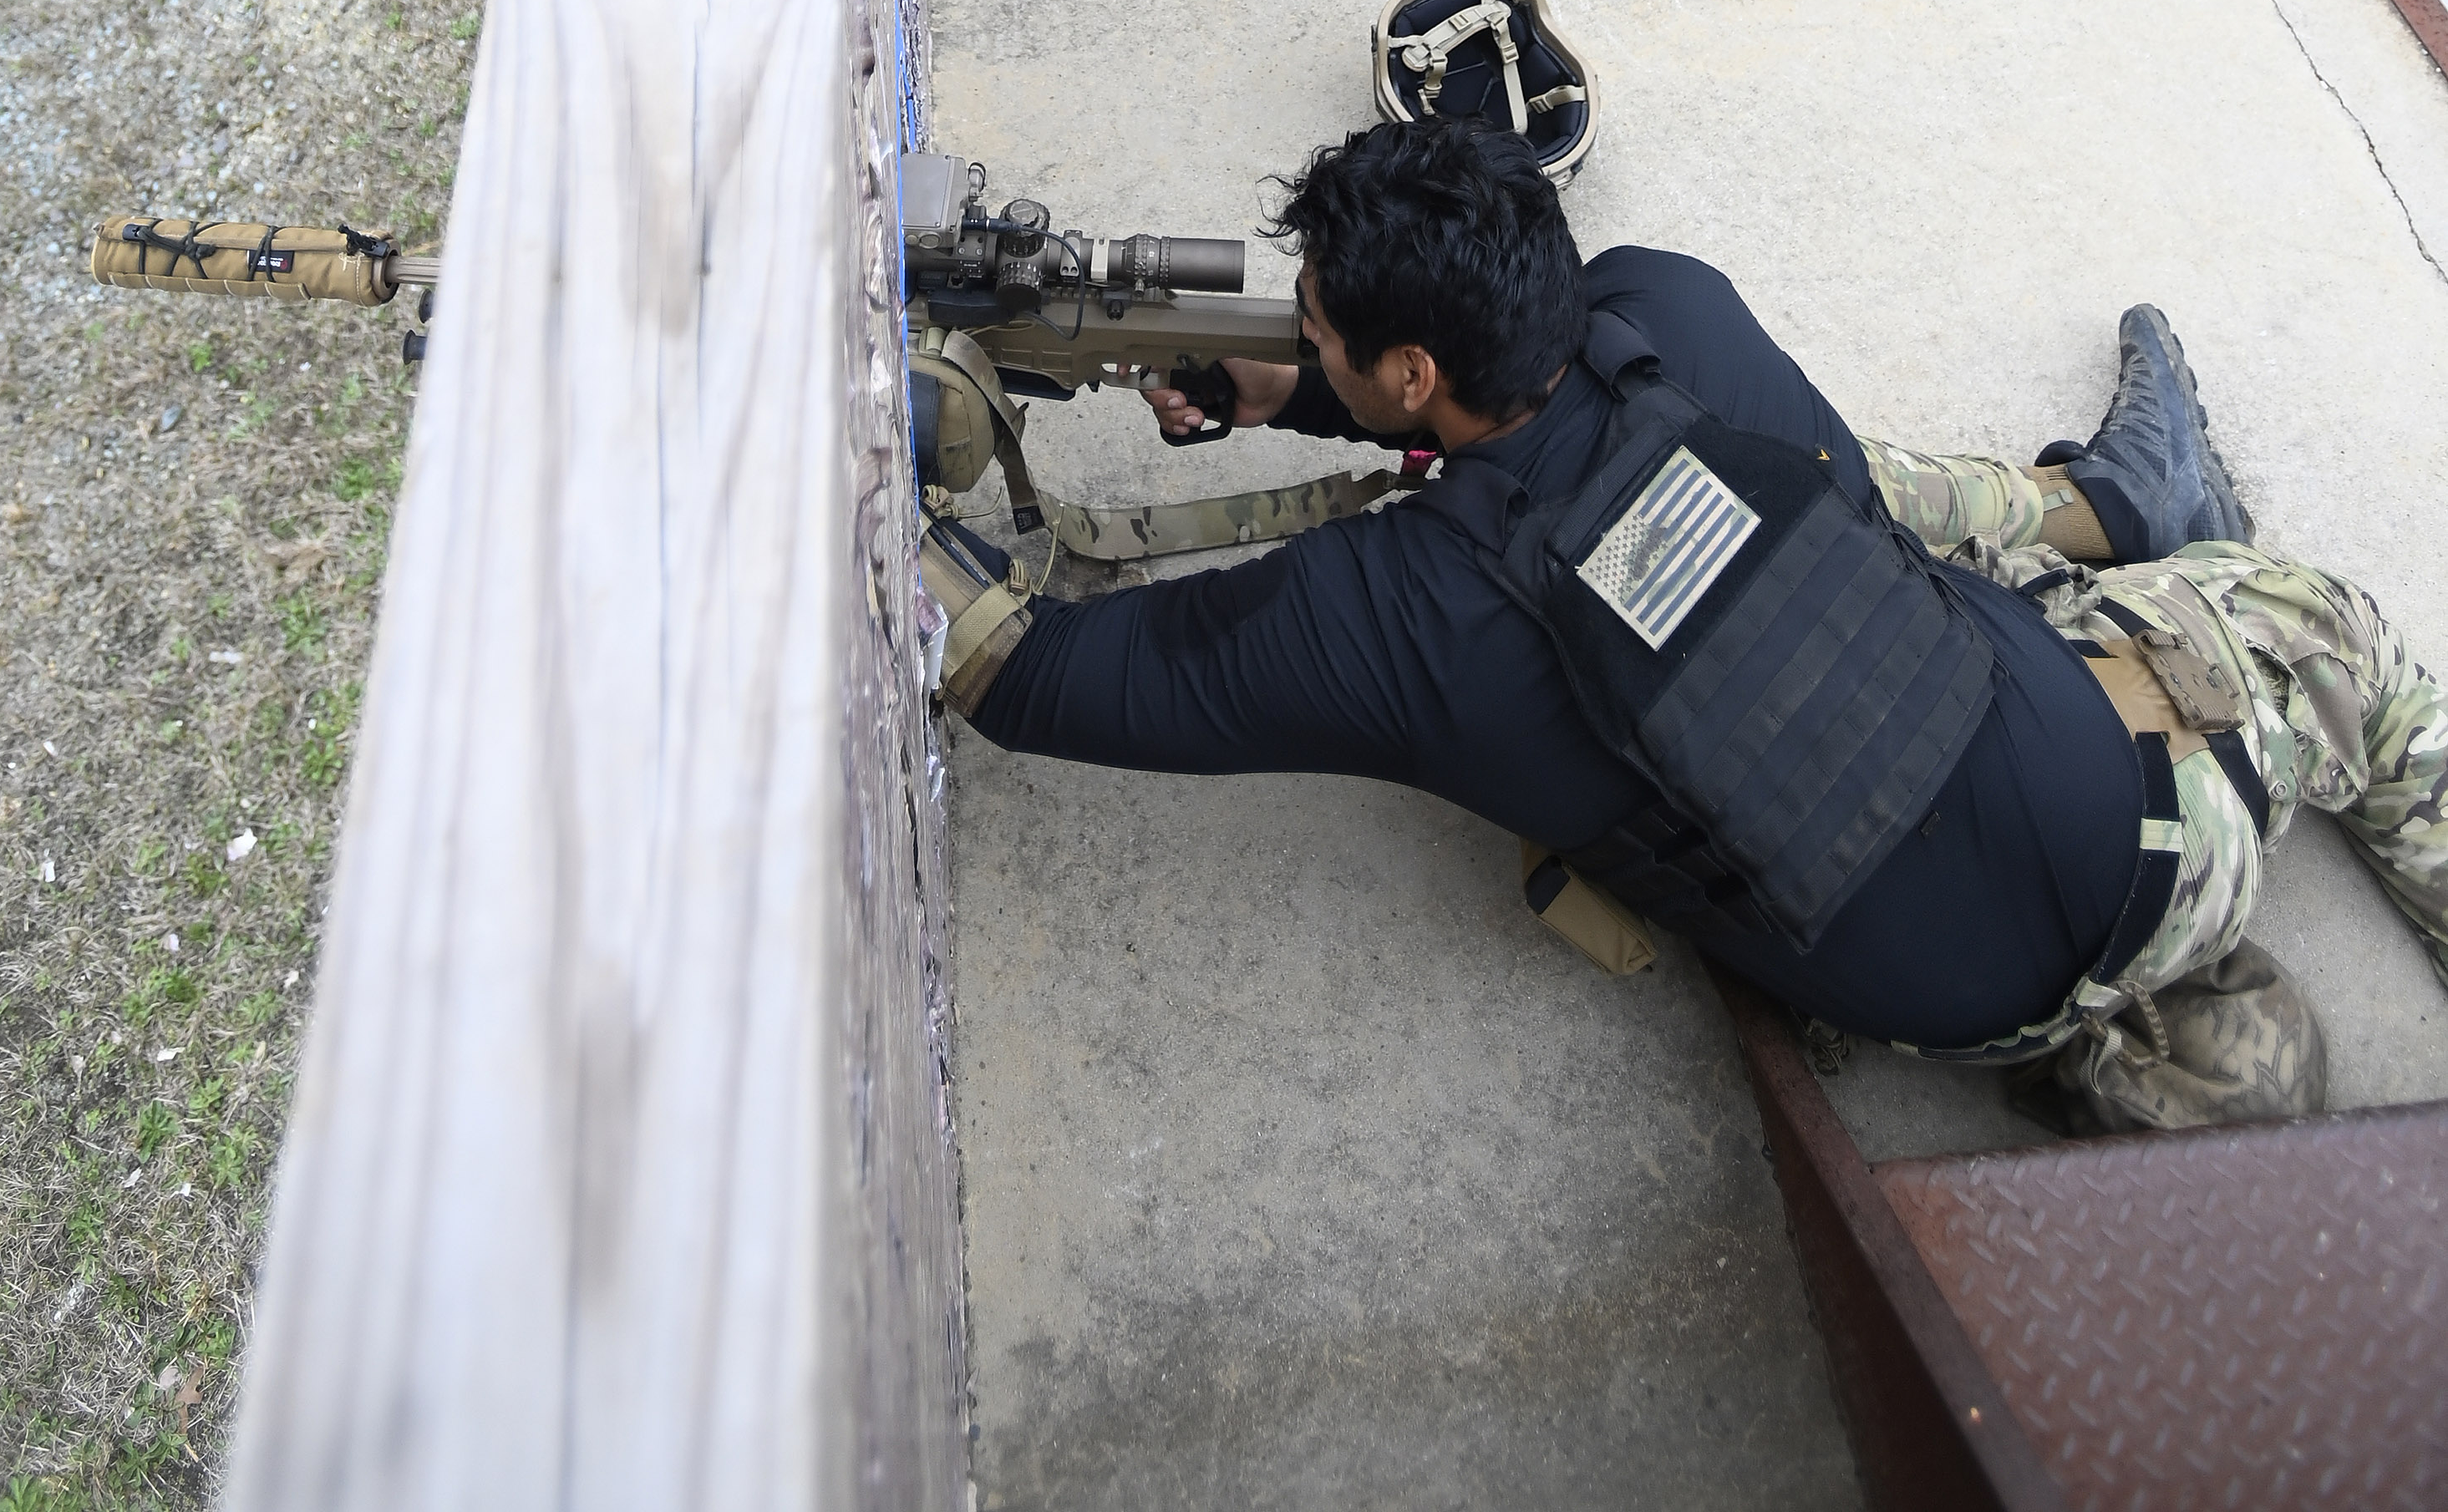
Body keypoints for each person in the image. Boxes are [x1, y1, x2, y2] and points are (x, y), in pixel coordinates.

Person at [923, 118, 2448, 1134]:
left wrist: (870, 477)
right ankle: (2106, 517)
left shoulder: (1389, 617)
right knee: (2259, 623)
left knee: (2247, 605)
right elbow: (1839, 513)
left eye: (1311, 330)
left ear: (1401, 377)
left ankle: (2120, 522)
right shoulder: (1675, 312)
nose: (1292, 338)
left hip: (1954, 1015)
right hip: (2133, 835)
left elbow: (1025, 669)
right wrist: (1300, 386)